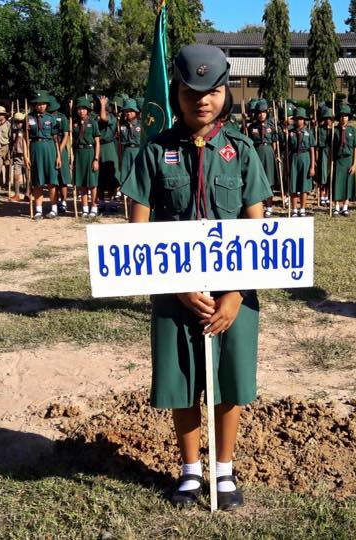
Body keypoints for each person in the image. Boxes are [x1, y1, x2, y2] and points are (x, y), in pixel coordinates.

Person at [122, 44, 272, 511]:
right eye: (191, 91)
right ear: (177, 93)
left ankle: (224, 471)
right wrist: (177, 286)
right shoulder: (155, 151)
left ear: (226, 93)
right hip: (174, 294)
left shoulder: (241, 151)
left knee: (229, 383)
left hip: (233, 296)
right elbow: (137, 231)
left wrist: (235, 294)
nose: (202, 100)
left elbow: (257, 231)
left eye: (213, 91)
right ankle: (190, 471)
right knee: (182, 383)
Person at [27, 91, 61, 219]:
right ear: (35, 105)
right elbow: (25, 138)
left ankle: (54, 209)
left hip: (49, 147)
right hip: (35, 148)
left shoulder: (51, 118)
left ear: (47, 105)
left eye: (43, 104)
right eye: (38, 104)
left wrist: (58, 155)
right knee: (37, 181)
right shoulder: (28, 118)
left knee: (52, 181)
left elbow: (56, 138)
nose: (41, 106)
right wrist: (26, 156)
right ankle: (38, 210)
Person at [247, 100, 280, 217]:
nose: (262, 115)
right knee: (258, 181)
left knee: (269, 181)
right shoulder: (251, 127)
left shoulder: (272, 126)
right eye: (260, 113)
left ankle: (269, 207)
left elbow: (275, 142)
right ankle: (259, 206)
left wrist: (276, 154)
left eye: (264, 112)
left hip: (269, 153)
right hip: (257, 153)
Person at [71, 97, 100, 218]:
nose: (81, 111)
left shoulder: (93, 123)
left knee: (92, 183)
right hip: (79, 153)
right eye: (79, 109)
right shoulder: (74, 123)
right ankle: (85, 208)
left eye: (83, 109)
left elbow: (97, 142)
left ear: (88, 110)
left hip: (90, 152)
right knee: (81, 182)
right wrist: (72, 158)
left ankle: (94, 207)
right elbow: (73, 142)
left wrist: (96, 159)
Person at [331, 104, 356, 216]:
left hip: (348, 160)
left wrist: (354, 164)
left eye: (346, 116)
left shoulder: (352, 130)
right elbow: (331, 148)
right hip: (338, 160)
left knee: (348, 184)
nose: (344, 118)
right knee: (337, 183)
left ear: (348, 117)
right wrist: (331, 162)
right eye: (342, 116)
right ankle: (336, 207)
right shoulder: (335, 131)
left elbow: (355, 148)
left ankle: (345, 207)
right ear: (339, 117)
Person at [287, 107, 315, 217]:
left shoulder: (308, 132)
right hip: (294, 158)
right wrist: (286, 166)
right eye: (297, 119)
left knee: (304, 185)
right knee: (293, 185)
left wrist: (312, 167)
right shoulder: (290, 133)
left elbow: (312, 149)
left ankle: (302, 208)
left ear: (304, 120)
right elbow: (287, 149)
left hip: (305, 158)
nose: (299, 121)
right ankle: (294, 209)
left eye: (301, 119)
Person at [96, 95, 120, 215]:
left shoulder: (111, 117)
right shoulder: (94, 117)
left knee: (111, 175)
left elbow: (103, 119)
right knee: (99, 176)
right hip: (98, 146)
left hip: (108, 146)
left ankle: (112, 201)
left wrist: (102, 105)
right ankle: (101, 201)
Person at [49, 96, 71, 215]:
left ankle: (63, 202)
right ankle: (54, 203)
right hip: (49, 149)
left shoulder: (62, 117)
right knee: (53, 179)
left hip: (61, 148)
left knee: (63, 178)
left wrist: (60, 150)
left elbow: (66, 135)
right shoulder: (46, 117)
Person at [117, 98, 142, 190]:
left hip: (138, 151)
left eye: (131, 111)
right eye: (126, 111)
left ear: (136, 112)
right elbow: (120, 144)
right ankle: (127, 197)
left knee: (138, 176)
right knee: (126, 177)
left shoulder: (141, 125)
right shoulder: (122, 126)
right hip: (126, 153)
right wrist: (120, 159)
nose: (128, 113)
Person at [315, 104, 333, 210]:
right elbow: (317, 146)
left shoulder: (335, 130)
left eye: (329, 119)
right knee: (323, 175)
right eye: (326, 119)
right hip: (323, 153)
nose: (328, 121)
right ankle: (322, 196)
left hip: (332, 153)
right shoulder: (320, 130)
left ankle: (328, 196)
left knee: (330, 175)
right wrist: (317, 158)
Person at [0, 106, 12, 197]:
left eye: (0, 114)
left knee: (8, 165)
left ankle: (8, 184)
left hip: (6, 146)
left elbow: (10, 136)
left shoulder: (8, 124)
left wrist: (11, 148)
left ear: (4, 115)